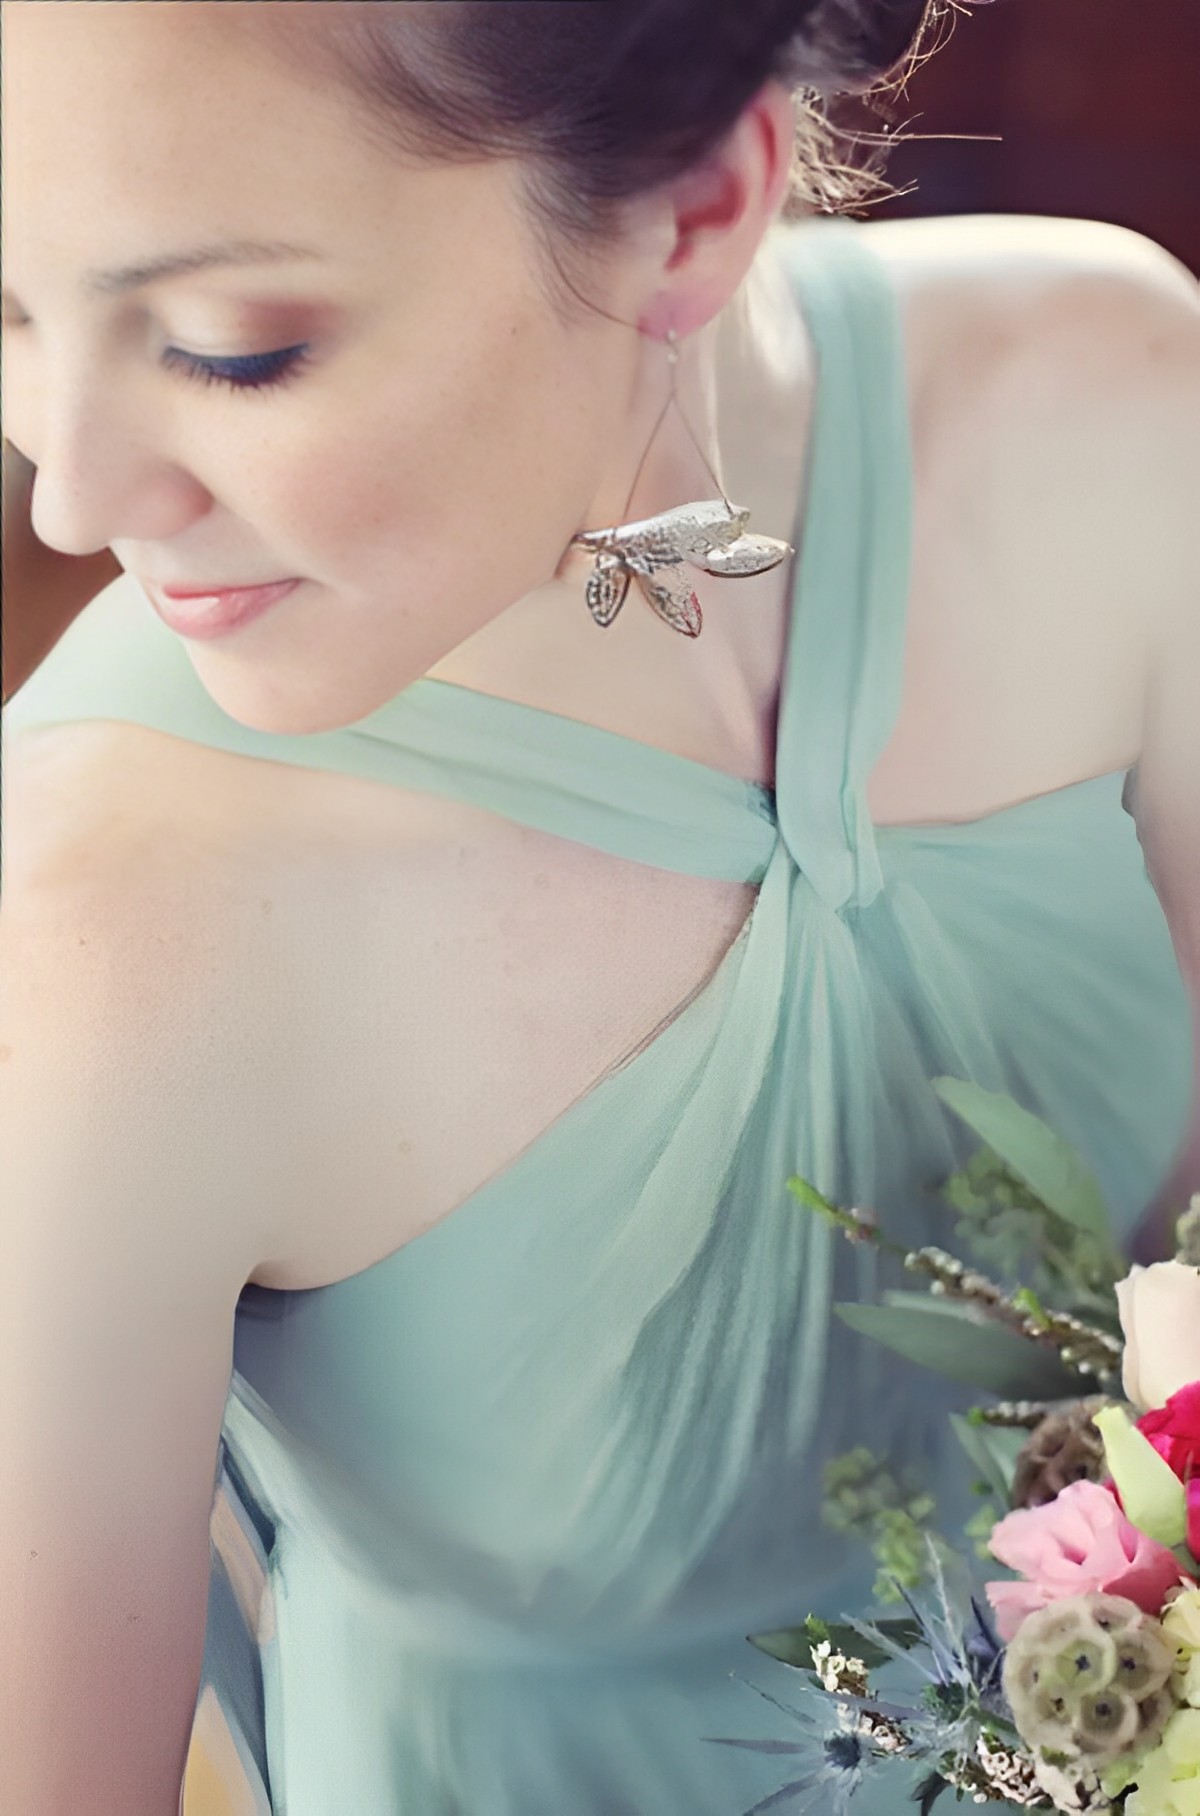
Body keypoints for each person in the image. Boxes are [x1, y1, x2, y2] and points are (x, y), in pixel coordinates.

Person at [2, 3, 1197, 1813]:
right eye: (8, 306)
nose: (73, 494)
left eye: (228, 349)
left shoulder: (1107, 396)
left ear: (694, 209)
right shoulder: (106, 923)